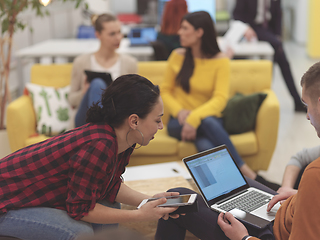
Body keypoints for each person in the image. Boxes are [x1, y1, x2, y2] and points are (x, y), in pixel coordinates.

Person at [0, 74, 181, 240]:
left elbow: (109, 186)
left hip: (18, 198)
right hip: (4, 205)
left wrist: (149, 201)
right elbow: (80, 208)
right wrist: (139, 215)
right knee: (80, 234)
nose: (161, 127)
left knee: (110, 205)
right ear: (134, 121)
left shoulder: (121, 139)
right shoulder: (100, 145)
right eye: (157, 120)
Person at [155, 61, 320, 240]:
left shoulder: (314, 175)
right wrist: (299, 194)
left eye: (306, 105)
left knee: (178, 199)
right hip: (286, 209)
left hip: (271, 233)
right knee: (238, 186)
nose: (307, 114)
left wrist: (243, 237)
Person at [161, 10, 279, 190]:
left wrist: (194, 119)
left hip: (208, 120)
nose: (179, 32)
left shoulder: (221, 61)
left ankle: (223, 189)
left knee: (204, 141)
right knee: (207, 126)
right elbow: (165, 90)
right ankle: (248, 174)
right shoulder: (177, 56)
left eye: (185, 28)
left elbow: (220, 99)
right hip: (179, 121)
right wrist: (182, 113)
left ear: (199, 32)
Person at [233, 0, 306, 112]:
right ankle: (293, 101)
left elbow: (278, 16)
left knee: (282, 60)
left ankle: (288, 100)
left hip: (269, 31)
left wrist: (278, 36)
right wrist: (246, 28)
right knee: (278, 52)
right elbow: (236, 15)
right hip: (252, 28)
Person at [68, 13, 138, 128]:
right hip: (85, 120)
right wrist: (84, 92)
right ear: (98, 35)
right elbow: (71, 100)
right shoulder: (81, 62)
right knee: (97, 84)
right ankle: (101, 131)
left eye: (119, 32)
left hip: (116, 118)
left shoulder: (130, 63)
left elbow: (135, 100)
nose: (118, 37)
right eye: (112, 34)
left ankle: (101, 132)